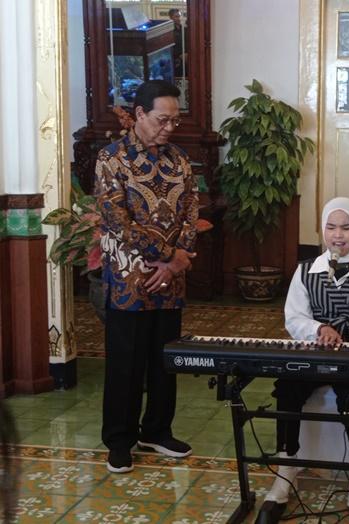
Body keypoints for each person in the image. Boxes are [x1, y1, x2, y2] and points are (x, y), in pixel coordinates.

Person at [262, 197, 349, 511]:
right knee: (286, 388)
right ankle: (286, 470)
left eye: (346, 227)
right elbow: (293, 318)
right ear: (322, 230)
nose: (338, 235)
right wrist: (318, 329)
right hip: (315, 354)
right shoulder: (305, 271)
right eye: (331, 227)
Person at [95, 80, 198, 473]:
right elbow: (117, 221)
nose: (169, 127)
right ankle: (119, 440)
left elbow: (191, 211)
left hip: (171, 279)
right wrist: (169, 256)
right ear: (139, 114)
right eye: (161, 120)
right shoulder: (112, 159)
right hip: (129, 279)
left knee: (164, 359)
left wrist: (177, 262)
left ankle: (157, 430)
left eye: (174, 120)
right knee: (126, 362)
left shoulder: (180, 160)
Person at [168, 8, 187, 78]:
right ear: (171, 18)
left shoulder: (184, 29)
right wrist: (179, 55)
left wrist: (186, 53)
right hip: (176, 58)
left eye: (179, 16)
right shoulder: (170, 31)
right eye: (176, 16)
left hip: (186, 56)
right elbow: (171, 47)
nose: (179, 18)